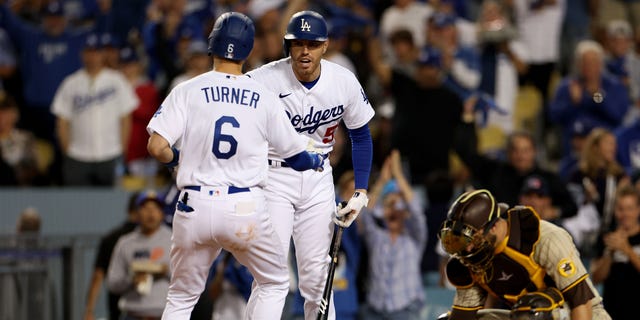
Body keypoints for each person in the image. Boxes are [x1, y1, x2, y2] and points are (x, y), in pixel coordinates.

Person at [146, 12, 325, 320]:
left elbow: (157, 146)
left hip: (194, 205)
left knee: (181, 297)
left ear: (212, 44)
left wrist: (178, 160)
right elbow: (295, 156)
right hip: (244, 206)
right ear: (249, 49)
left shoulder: (187, 89)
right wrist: (313, 160)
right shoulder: (264, 95)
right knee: (274, 281)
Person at [246, 10, 375, 319]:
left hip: (318, 178)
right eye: (298, 43)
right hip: (273, 176)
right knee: (270, 272)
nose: (305, 51)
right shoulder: (262, 80)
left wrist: (361, 189)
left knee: (318, 277)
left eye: (312, 44)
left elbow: (361, 136)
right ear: (288, 45)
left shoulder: (342, 80)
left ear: (325, 46)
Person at [438, 189, 611, 320]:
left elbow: (582, 303)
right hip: (521, 315)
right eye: (463, 242)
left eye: (474, 240)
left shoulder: (545, 238)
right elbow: (463, 316)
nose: (467, 250)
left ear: (495, 226)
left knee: (531, 312)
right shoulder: (470, 259)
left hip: (582, 314)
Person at [51, 33, 138, 186]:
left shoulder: (116, 80)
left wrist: (121, 148)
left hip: (111, 152)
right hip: (78, 154)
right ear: (82, 54)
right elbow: (62, 121)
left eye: (96, 51)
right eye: (89, 51)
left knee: (113, 202)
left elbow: (125, 118)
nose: (92, 56)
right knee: (77, 203)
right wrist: (68, 151)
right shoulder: (71, 83)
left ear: (102, 54)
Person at [358, 150, 426, 319]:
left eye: (398, 205)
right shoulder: (377, 237)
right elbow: (365, 214)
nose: (394, 209)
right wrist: (382, 181)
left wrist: (398, 176)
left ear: (405, 211)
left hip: (405, 309)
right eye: (389, 205)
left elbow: (416, 212)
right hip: (374, 310)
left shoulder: (414, 237)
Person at [106, 191, 172, 320]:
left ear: (162, 213)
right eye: (146, 208)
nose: (151, 213)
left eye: (155, 208)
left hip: (164, 314)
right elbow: (112, 283)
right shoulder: (125, 243)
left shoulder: (174, 240)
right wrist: (131, 279)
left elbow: (188, 281)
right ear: (137, 213)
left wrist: (166, 272)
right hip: (133, 314)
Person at [84, 191, 140, 320]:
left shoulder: (110, 238)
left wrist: (89, 310)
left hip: (117, 307)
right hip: (145, 308)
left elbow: (98, 276)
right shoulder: (153, 240)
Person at [590, 184, 640, 319]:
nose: (625, 214)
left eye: (630, 208)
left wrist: (627, 250)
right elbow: (595, 278)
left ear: (638, 210)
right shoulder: (606, 238)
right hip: (611, 312)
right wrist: (609, 253)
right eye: (620, 209)